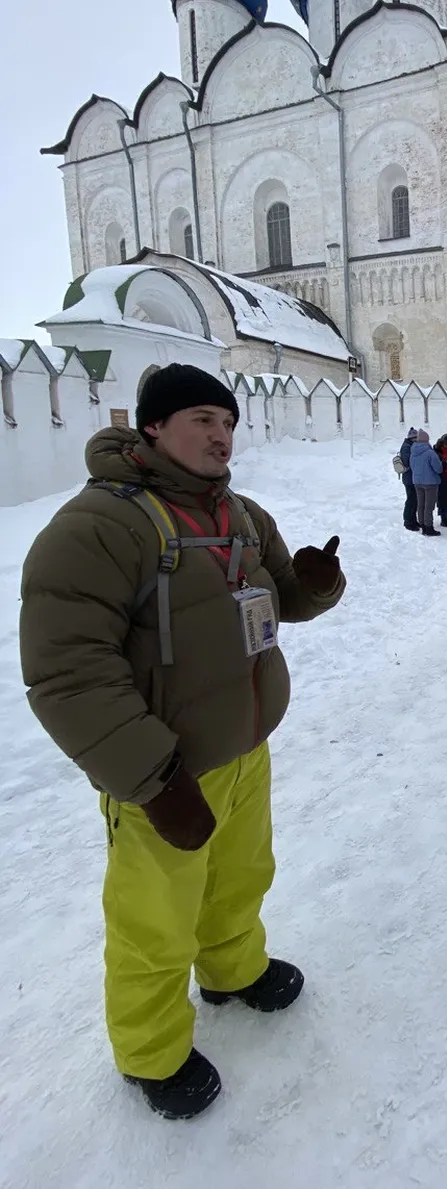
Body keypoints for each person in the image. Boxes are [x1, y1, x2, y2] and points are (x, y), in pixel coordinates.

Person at [19, 364, 347, 1121]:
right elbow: (68, 674)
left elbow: (281, 601)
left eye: (227, 421)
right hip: (162, 776)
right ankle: (150, 1050)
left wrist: (315, 582)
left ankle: (233, 969)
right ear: (154, 427)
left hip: (243, 748)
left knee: (240, 875)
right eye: (202, 418)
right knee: (153, 920)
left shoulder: (237, 512)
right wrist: (153, 777)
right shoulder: (97, 527)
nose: (220, 434)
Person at [409, 429, 443, 537]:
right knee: (429, 506)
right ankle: (429, 528)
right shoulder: (430, 453)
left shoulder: (413, 452)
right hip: (430, 482)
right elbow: (438, 469)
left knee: (421, 505)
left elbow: (411, 466)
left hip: (417, 482)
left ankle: (423, 525)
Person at [399, 426, 420, 532]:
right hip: (409, 478)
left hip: (412, 477)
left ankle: (413, 520)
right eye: (416, 438)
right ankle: (408, 521)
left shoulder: (409, 445)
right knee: (411, 500)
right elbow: (407, 462)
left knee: (414, 500)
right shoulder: (407, 447)